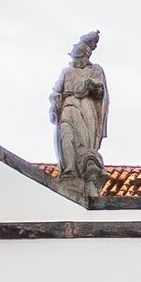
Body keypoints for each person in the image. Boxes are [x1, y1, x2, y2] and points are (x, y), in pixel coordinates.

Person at [51, 33, 109, 188]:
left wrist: (93, 86)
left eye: (80, 57)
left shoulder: (95, 70)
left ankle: (86, 167)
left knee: (84, 140)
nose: (78, 61)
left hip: (86, 106)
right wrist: (54, 104)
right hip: (68, 106)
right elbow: (56, 91)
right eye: (75, 58)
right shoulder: (66, 72)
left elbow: (100, 92)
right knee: (66, 135)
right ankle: (69, 170)